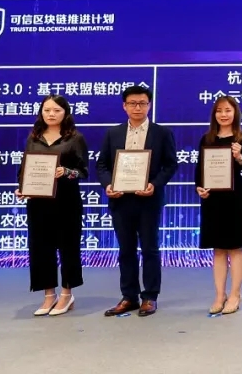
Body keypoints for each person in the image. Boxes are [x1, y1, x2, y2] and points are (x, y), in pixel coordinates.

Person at [96, 85, 178, 317]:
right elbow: (102, 165)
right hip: (121, 200)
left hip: (148, 200)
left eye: (142, 103)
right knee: (126, 250)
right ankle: (129, 296)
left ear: (149, 105)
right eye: (132, 103)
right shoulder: (113, 133)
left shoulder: (162, 133)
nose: (137, 107)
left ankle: (150, 297)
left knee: (150, 249)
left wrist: (155, 184)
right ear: (124, 106)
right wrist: (108, 185)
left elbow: (171, 165)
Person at [15, 95, 89, 317]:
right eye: (47, 110)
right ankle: (49, 295)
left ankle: (66, 294)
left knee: (68, 247)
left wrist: (66, 172)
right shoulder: (34, 137)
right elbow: (25, 167)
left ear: (65, 113)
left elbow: (83, 172)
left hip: (67, 201)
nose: (51, 114)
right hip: (39, 202)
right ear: (41, 112)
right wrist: (22, 188)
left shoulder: (75, 138)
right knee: (41, 248)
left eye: (56, 110)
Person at [194, 96, 242, 315]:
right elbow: (200, 169)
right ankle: (219, 295)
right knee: (218, 249)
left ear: (235, 113)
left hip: (234, 199)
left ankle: (235, 294)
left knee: (235, 248)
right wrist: (199, 187)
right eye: (219, 110)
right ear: (214, 114)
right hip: (213, 200)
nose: (223, 114)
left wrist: (239, 157)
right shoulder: (207, 139)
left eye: (228, 110)